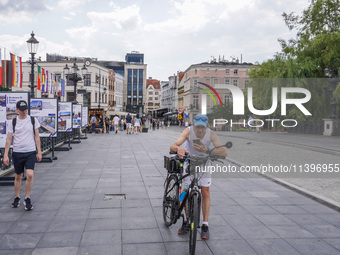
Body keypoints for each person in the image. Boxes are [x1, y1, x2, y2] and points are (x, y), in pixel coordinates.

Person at [170, 114, 227, 239]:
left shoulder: (211, 134)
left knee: (205, 191)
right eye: (197, 127)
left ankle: (205, 224)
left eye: (202, 127)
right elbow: (173, 145)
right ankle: (186, 221)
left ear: (207, 126)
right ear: (193, 125)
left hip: (204, 163)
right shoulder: (188, 131)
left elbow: (224, 152)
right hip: (189, 162)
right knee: (186, 190)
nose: (199, 130)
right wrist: (179, 148)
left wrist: (207, 151)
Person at [3, 100, 42, 211]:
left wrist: (39, 152)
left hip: (30, 151)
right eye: (22, 109)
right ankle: (17, 197)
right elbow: (9, 139)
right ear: (17, 110)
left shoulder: (33, 120)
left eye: (25, 109)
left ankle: (27, 197)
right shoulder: (13, 122)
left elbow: (37, 137)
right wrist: (5, 155)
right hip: (17, 152)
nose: (24, 111)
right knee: (18, 176)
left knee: (29, 174)